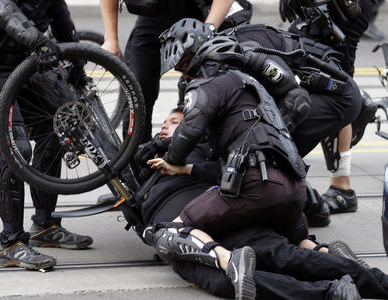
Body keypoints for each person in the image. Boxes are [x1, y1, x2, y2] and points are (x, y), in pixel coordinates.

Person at [134, 108, 388, 300]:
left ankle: (376, 282)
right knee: (225, 280)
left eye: (175, 122)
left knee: (283, 255)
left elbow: (226, 172)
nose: (166, 126)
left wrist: (187, 169)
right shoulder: (143, 158)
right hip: (181, 238)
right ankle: (329, 292)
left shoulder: (200, 148)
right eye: (164, 122)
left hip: (219, 216)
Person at [0, 0, 93, 270]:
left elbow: (61, 18)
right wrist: (37, 40)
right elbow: (0, 8)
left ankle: (44, 225)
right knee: (16, 146)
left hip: (23, 63)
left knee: (57, 127)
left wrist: (77, 65)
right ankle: (11, 243)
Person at [100, 0, 254, 143]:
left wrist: (209, 30)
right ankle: (138, 163)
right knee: (136, 92)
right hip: (158, 12)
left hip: (207, 10)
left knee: (209, 91)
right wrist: (110, 39)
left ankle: (204, 162)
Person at [279, 0, 379, 216]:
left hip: (343, 9)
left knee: (334, 83)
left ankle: (342, 187)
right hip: (322, 9)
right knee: (300, 62)